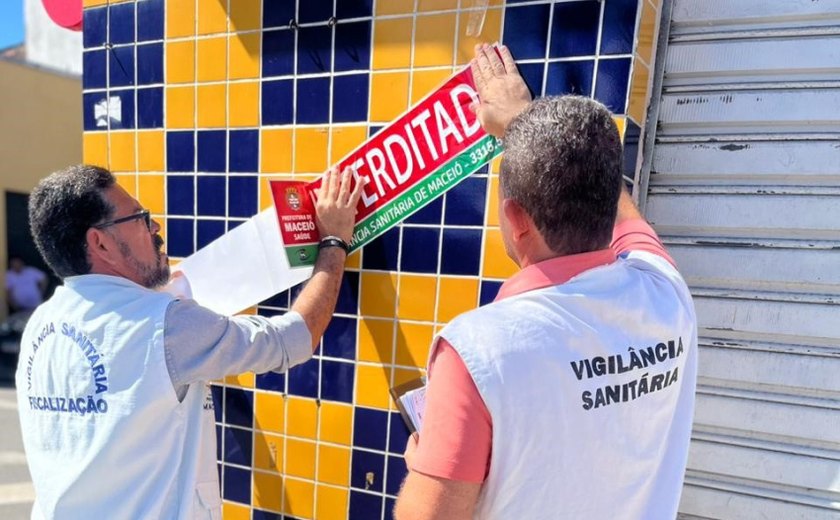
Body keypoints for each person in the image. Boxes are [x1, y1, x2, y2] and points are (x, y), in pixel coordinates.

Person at [394, 45, 698, 519]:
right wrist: (523, 122)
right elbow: (627, 219)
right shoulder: (664, 292)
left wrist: (427, 460)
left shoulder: (478, 351)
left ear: (517, 219)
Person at [17, 164, 363, 519]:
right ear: (100, 241)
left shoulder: (42, 325)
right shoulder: (165, 324)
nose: (155, 227)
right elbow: (293, 338)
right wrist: (333, 241)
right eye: (140, 217)